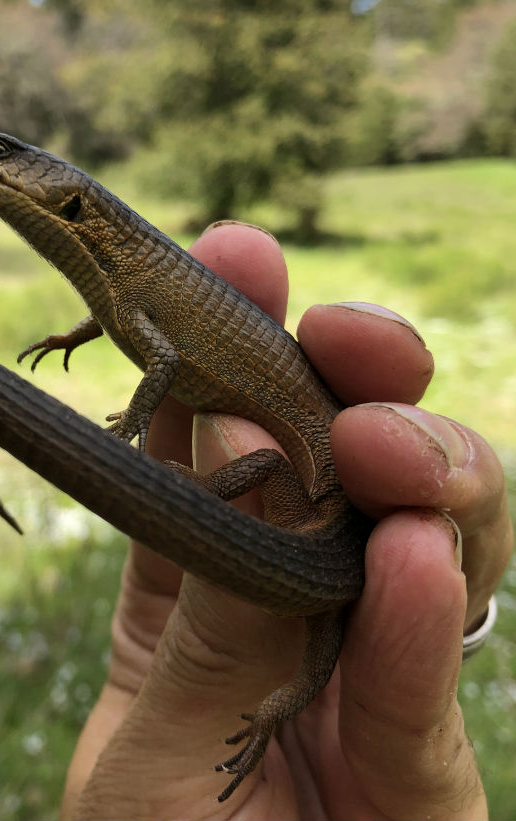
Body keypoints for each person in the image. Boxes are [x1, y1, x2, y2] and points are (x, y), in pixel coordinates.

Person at [60, 222, 512, 820]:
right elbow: (307, 676)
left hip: (320, 553)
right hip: (323, 558)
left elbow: (272, 465)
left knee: (329, 499)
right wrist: (272, 715)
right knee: (374, 532)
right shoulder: (326, 607)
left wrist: (201, 487)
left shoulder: (326, 605)